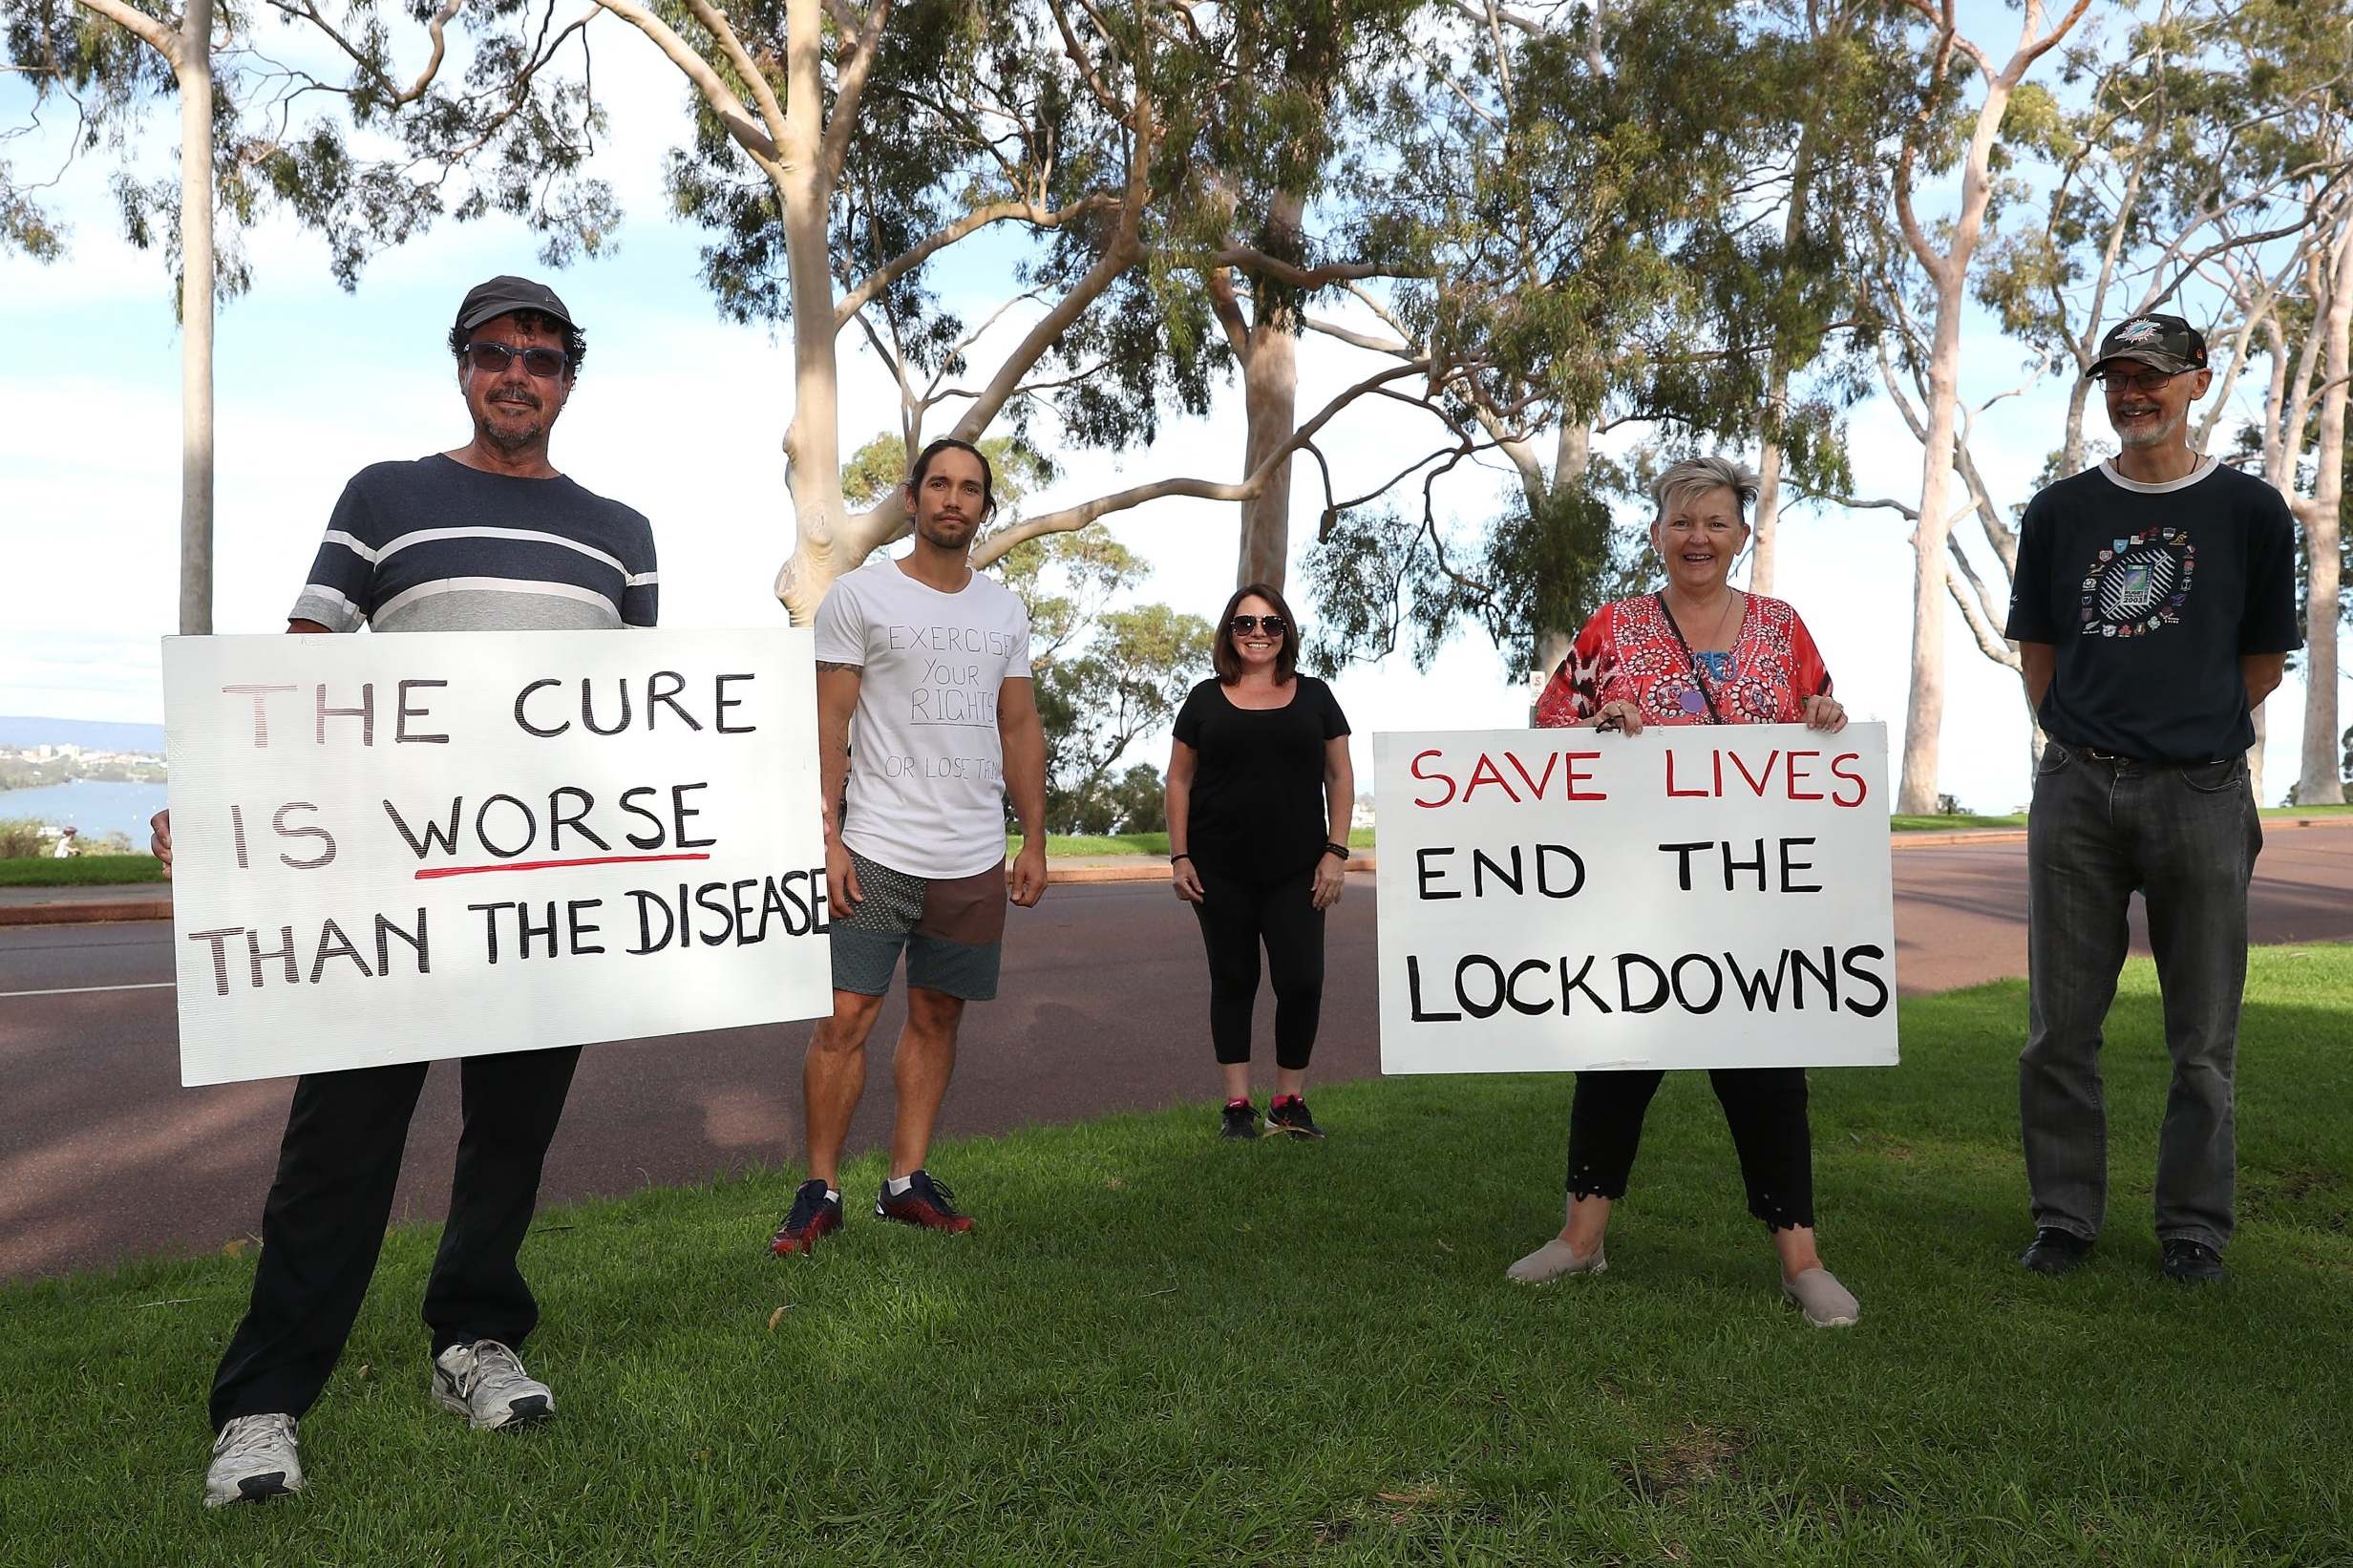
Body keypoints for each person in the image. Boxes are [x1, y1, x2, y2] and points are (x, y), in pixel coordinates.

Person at [151, 276, 658, 1507]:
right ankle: (262, 1405)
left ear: (568, 378)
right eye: (495, 351)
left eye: (541, 355)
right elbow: (307, 672)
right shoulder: (385, 498)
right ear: (463, 367)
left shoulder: (621, 533)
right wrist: (224, 791)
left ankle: (472, 1339)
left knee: (511, 1139)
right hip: (394, 884)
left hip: (548, 890)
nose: (517, 372)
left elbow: (645, 718)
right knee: (340, 1145)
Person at [1508, 455, 1859, 1329]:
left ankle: (1801, 1262)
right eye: (1680, 522)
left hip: (1753, 903)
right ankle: (1581, 1241)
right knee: (1616, 1063)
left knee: (1768, 1073)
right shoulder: (1615, 626)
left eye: (1715, 522)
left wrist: (1823, 716)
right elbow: (1546, 725)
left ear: (1742, 535)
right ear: (1657, 533)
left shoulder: (1782, 628)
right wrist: (1598, 726)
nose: (1696, 538)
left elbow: (1821, 716)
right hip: (1639, 897)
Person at [2003, 314, 2298, 1286]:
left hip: (2202, 790)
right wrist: (2081, 736)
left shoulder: (2253, 514)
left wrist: (2180, 732)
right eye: (2116, 379)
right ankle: (2063, 1219)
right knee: (2056, 1030)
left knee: (2202, 1038)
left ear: (2196, 383)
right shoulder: (2058, 512)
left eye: (2151, 378)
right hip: (2076, 789)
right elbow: (2036, 649)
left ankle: (2193, 1228)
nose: (2132, 394)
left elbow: (2261, 662)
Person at [767, 437, 1049, 1255]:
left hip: (970, 856)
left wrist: (1032, 837)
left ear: (985, 508)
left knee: (937, 1015)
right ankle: (820, 1190)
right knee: (845, 1020)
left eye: (969, 489)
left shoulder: (1004, 609)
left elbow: (1019, 722)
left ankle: (904, 1182)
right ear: (913, 497)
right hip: (877, 844)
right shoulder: (858, 596)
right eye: (939, 486)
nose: (953, 500)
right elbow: (828, 722)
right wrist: (828, 835)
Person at [1165, 583, 1354, 1139]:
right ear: (1229, 632)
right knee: (1233, 978)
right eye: (1245, 624)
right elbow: (1179, 778)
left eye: (1271, 624)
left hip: (1299, 869)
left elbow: (1339, 775)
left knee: (1301, 980)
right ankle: (1237, 1108)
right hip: (1217, 868)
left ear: (1286, 632)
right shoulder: (1203, 699)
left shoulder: (1316, 696)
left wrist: (1335, 853)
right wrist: (1180, 857)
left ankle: (1288, 1102)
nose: (1258, 634)